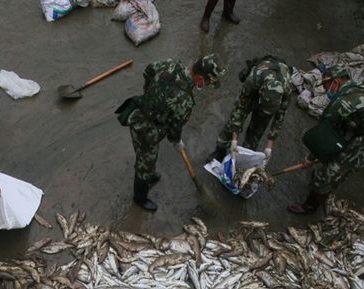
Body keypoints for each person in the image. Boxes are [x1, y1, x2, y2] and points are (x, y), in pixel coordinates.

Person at [288, 65, 364, 215]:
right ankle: (329, 184)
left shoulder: (343, 102)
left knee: (332, 170)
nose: (326, 90)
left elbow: (324, 137)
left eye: (326, 85)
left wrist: (310, 158)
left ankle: (310, 206)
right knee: (341, 165)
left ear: (336, 81)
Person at [116, 54, 223, 211]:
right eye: (207, 82)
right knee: (145, 160)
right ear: (200, 78)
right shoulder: (185, 101)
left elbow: (148, 70)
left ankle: (149, 174)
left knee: (148, 154)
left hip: (137, 110)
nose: (206, 85)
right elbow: (174, 127)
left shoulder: (171, 64)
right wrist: (177, 141)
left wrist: (149, 93)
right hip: (146, 129)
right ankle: (140, 198)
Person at [211, 55, 293, 166]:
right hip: (254, 91)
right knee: (232, 124)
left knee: (257, 130)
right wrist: (234, 140)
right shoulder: (253, 80)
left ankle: (246, 155)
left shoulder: (287, 90)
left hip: (269, 95)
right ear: (261, 93)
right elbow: (239, 109)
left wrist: (269, 146)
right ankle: (220, 149)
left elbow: (279, 118)